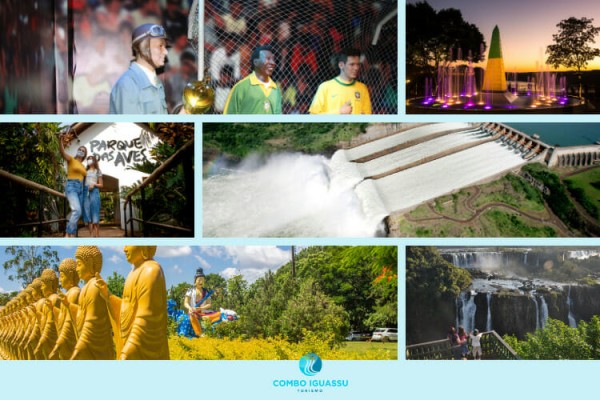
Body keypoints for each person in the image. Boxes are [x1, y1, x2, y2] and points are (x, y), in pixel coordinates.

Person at [95, 246, 170, 360]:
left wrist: (127, 351)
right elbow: (128, 308)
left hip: (141, 347)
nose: (124, 249)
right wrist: (108, 295)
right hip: (128, 343)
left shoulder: (151, 271)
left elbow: (146, 319)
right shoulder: (132, 273)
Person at [63, 246, 114, 360]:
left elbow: (91, 325)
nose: (77, 269)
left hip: (96, 349)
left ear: (90, 263)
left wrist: (77, 350)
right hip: (86, 346)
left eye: (79, 264)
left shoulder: (94, 287)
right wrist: (69, 305)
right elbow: (82, 315)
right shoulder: (86, 287)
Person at [109, 23, 169, 114]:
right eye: (160, 46)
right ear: (143, 48)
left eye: (165, 47)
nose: (166, 52)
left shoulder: (157, 83)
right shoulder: (128, 84)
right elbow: (131, 127)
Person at [309, 48, 372, 114]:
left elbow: (367, 115)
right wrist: (339, 112)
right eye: (352, 64)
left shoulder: (363, 88)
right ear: (341, 65)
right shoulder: (325, 87)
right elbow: (313, 117)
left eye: (358, 64)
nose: (356, 68)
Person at [223, 45, 282, 114]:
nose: (272, 63)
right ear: (256, 62)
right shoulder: (241, 87)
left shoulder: (276, 89)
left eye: (273, 59)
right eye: (267, 59)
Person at [49, 258, 81, 360]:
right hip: (63, 339)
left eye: (62, 276)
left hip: (69, 340)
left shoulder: (74, 293)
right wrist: (52, 309)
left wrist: (60, 341)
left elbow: (69, 322)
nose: (60, 279)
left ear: (71, 275)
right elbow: (62, 316)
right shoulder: (67, 294)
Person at [59, 134, 87, 237]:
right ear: (77, 151)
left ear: (85, 154)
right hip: (72, 186)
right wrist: (60, 141)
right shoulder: (71, 160)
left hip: (81, 188)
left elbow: (85, 179)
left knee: (76, 212)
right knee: (77, 210)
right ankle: (67, 234)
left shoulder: (83, 166)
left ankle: (73, 235)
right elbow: (62, 152)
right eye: (80, 149)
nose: (81, 151)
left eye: (83, 151)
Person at [183, 268, 220, 336]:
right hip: (193, 312)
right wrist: (190, 308)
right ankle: (199, 333)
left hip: (203, 312)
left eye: (202, 280)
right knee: (192, 315)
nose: (201, 282)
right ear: (195, 280)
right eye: (199, 279)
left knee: (219, 314)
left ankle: (212, 328)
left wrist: (201, 308)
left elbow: (209, 304)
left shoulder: (206, 292)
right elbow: (185, 302)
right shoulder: (190, 290)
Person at [83, 155, 103, 237]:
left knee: (95, 213)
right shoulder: (85, 171)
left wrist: (94, 185)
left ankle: (97, 235)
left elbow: (101, 185)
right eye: (88, 159)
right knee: (87, 214)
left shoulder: (98, 171)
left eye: (91, 159)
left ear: (94, 161)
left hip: (94, 191)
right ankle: (91, 235)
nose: (89, 161)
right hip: (85, 191)